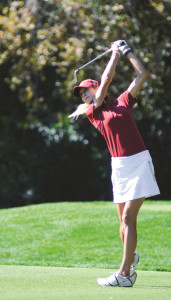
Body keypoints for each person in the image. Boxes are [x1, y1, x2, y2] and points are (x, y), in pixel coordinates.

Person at [69, 40, 160, 287]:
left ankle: (124, 275)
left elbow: (142, 74)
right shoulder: (93, 111)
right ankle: (129, 260)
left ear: (96, 88)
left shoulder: (122, 102)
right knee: (122, 223)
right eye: (81, 93)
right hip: (119, 167)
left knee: (129, 218)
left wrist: (126, 51)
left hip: (138, 162)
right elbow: (107, 78)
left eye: (87, 90)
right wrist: (114, 53)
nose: (85, 95)